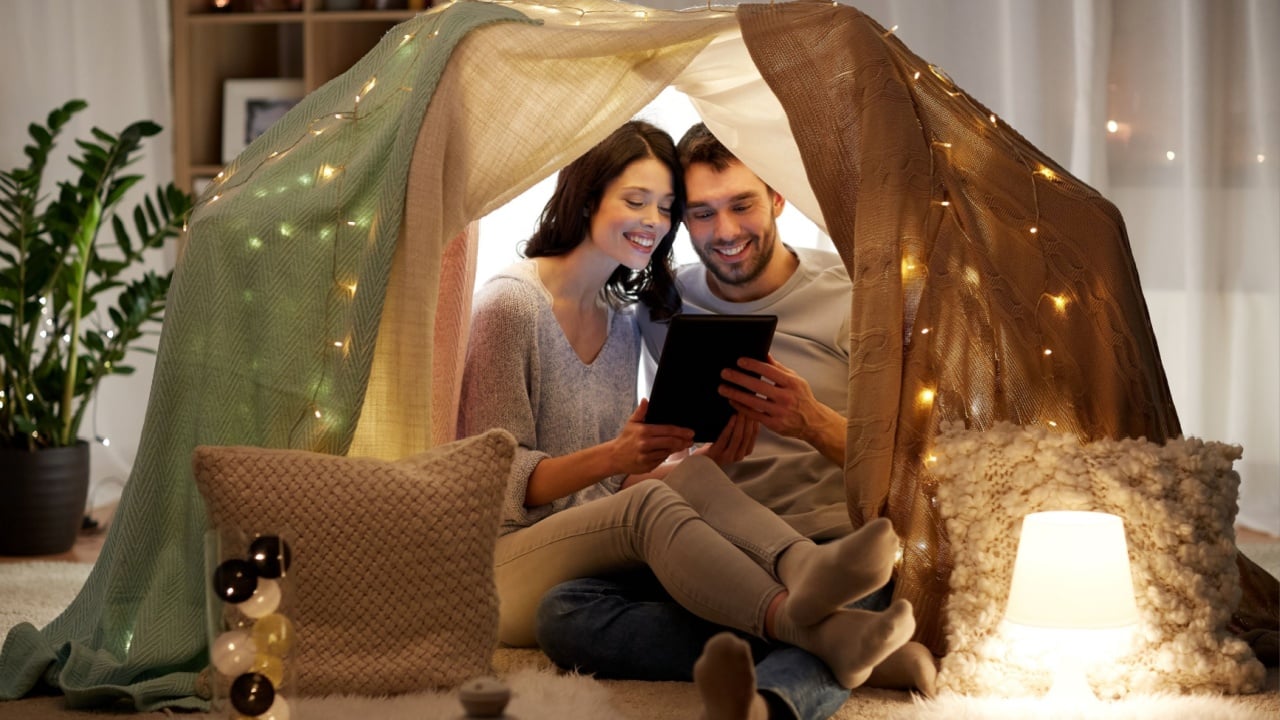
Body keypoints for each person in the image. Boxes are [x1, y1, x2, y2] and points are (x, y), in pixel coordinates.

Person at [456, 120, 916, 693]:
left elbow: (921, 462)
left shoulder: (625, 316)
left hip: (806, 538)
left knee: (686, 481)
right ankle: (822, 631)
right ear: (586, 197)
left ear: (776, 199)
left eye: (665, 207)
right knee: (579, 598)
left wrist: (792, 429)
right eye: (640, 201)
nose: (655, 221)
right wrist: (622, 458)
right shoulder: (545, 307)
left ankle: (802, 620)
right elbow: (487, 486)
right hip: (530, 554)